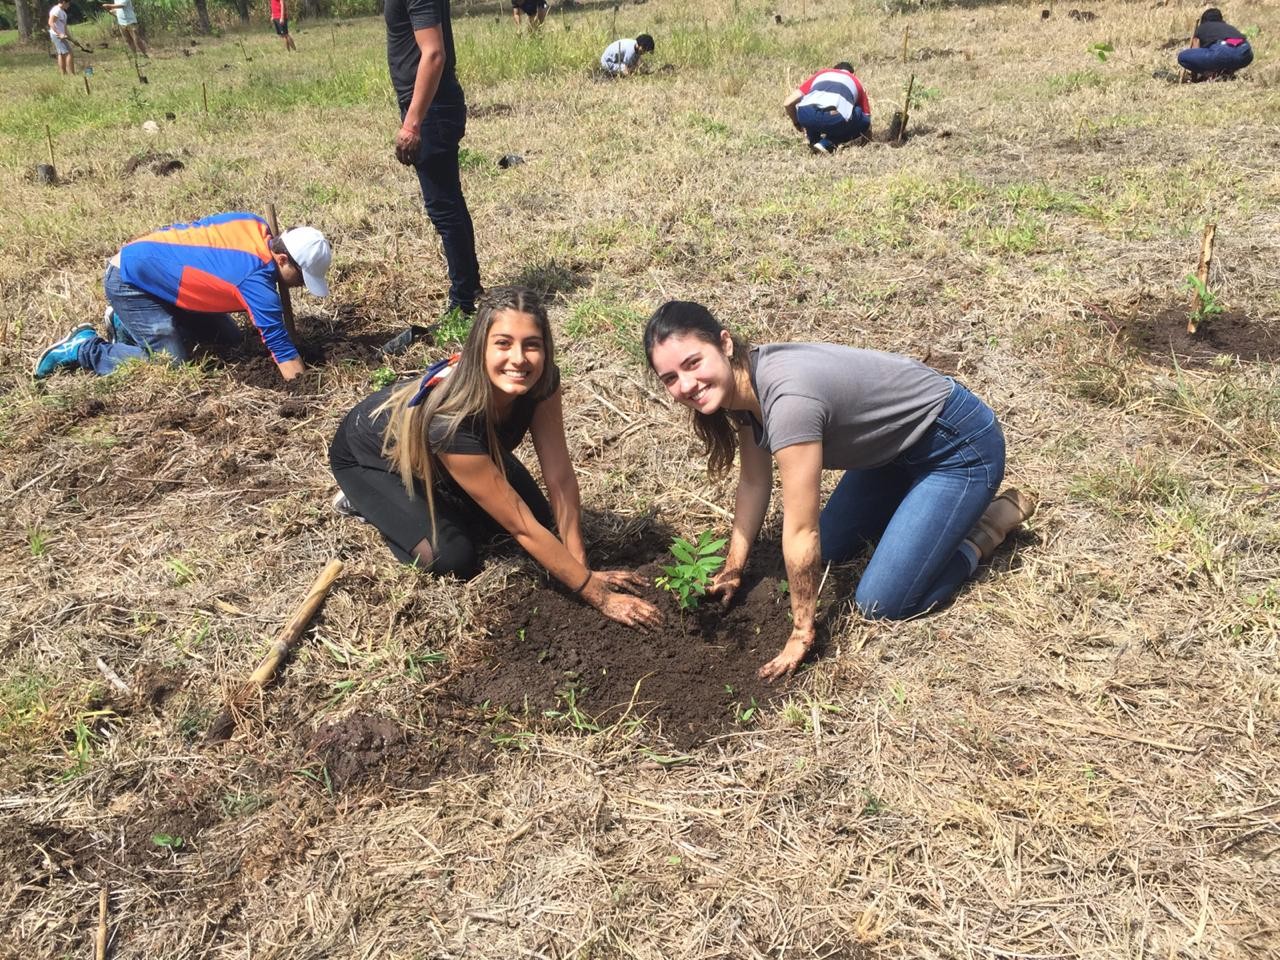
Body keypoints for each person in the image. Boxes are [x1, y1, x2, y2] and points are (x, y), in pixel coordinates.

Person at [644, 301, 1036, 682]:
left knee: (882, 603)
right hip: (891, 455)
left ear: (725, 344)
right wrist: (732, 568)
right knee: (829, 551)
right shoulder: (744, 390)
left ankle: (984, 531)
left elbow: (802, 532)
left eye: (693, 363)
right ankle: (922, 511)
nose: (687, 385)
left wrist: (801, 633)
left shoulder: (787, 399)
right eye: (671, 378)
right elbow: (753, 481)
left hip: (958, 448)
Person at [330, 286, 662, 630]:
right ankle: (364, 501)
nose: (519, 358)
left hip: (462, 451)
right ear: (480, 348)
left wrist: (581, 567)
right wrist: (597, 595)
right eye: (503, 343)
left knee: (542, 518)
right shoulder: (450, 418)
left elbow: (560, 477)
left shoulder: (542, 382)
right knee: (452, 557)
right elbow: (519, 525)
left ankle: (448, 488)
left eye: (531, 344)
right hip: (369, 457)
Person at [33, 212, 332, 383]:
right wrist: (302, 386)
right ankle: (86, 349)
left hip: (166, 279)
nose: (301, 287)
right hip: (130, 279)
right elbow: (279, 345)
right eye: (301, 278)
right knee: (172, 363)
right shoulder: (255, 281)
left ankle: (129, 323)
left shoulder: (254, 226)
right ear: (281, 259)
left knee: (230, 339)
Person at [381, 0, 482, 357]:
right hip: (433, 107)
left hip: (431, 109)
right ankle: (469, 289)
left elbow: (433, 54)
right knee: (450, 202)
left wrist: (412, 122)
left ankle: (462, 303)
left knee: (443, 208)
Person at [783, 61, 871, 154]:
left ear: (833, 69)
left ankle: (814, 140)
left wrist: (797, 124)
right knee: (858, 113)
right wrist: (867, 139)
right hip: (834, 118)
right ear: (853, 73)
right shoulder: (855, 80)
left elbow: (788, 103)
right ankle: (829, 142)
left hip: (806, 114)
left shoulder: (822, 73)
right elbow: (866, 119)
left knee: (811, 107)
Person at [1178, 8, 1252, 80]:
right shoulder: (1228, 27)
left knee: (1182, 57)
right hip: (1246, 52)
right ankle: (1225, 72)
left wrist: (1195, 76)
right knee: (1224, 56)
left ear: (1203, 20)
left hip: (1223, 50)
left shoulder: (1202, 27)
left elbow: (1195, 50)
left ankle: (1211, 74)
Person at [48, 0, 75, 76]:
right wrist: (59, 34)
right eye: (68, 3)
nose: (69, 5)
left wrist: (71, 38)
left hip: (60, 35)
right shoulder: (57, 10)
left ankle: (63, 74)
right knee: (69, 53)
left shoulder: (62, 12)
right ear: (63, 2)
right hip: (57, 35)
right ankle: (72, 74)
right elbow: (50, 22)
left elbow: (64, 27)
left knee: (61, 53)